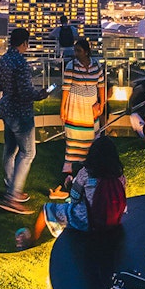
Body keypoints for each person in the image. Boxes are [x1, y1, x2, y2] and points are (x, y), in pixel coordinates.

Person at [16, 135, 126, 249]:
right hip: (113, 221)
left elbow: (75, 198)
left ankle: (32, 240)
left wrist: (69, 186)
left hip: (87, 221)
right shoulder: (120, 176)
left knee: (46, 209)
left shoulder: (86, 173)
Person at [0, 27, 50, 214]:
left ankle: (11, 188)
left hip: (6, 109)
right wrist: (41, 94)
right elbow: (26, 92)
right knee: (28, 153)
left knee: (10, 150)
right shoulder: (21, 62)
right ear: (25, 43)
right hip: (20, 113)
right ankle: (12, 197)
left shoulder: (3, 60)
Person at [51, 38, 105, 199]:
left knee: (91, 140)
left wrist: (101, 104)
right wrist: (63, 109)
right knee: (73, 141)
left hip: (90, 107)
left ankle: (85, 174)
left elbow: (101, 85)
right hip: (75, 106)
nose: (76, 54)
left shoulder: (96, 65)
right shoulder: (71, 66)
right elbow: (66, 88)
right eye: (75, 51)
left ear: (86, 51)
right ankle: (67, 176)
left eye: (79, 51)